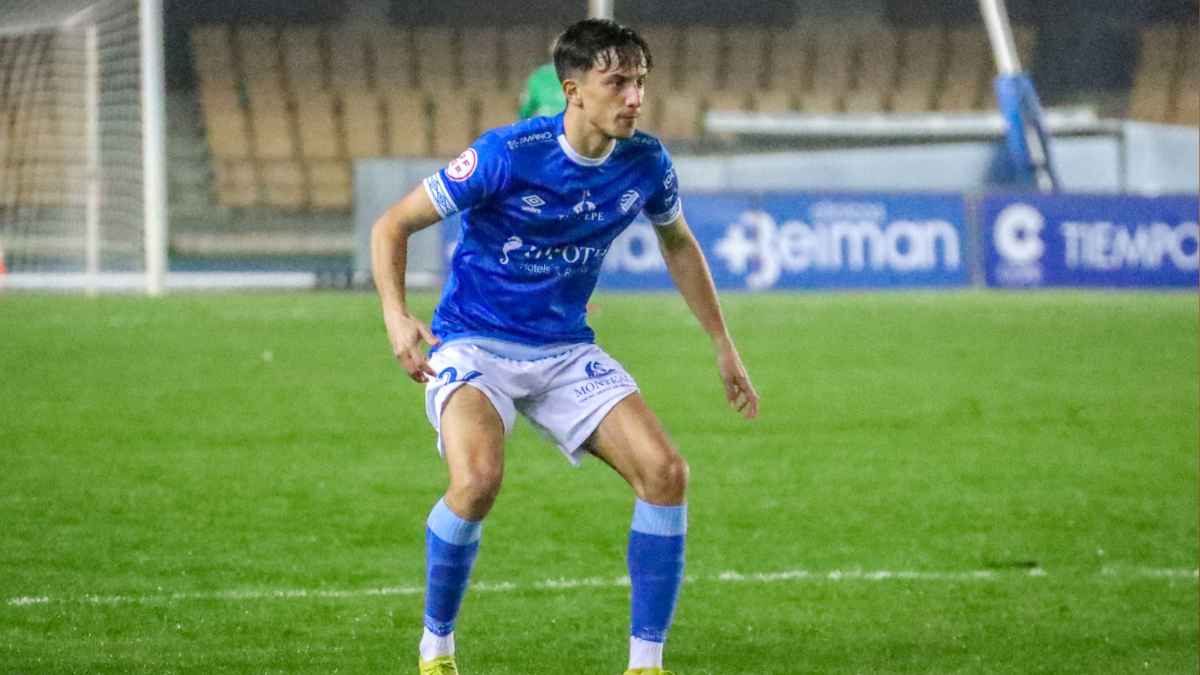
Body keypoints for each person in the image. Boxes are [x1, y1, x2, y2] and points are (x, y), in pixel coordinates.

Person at [370, 18, 759, 675]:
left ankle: (646, 664)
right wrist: (396, 315)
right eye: (618, 83)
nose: (634, 97)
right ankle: (435, 648)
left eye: (640, 82)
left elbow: (679, 243)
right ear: (574, 90)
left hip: (563, 350)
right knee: (478, 480)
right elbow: (393, 224)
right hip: (475, 342)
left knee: (666, 474)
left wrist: (723, 342)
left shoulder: (646, 163)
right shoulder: (506, 154)